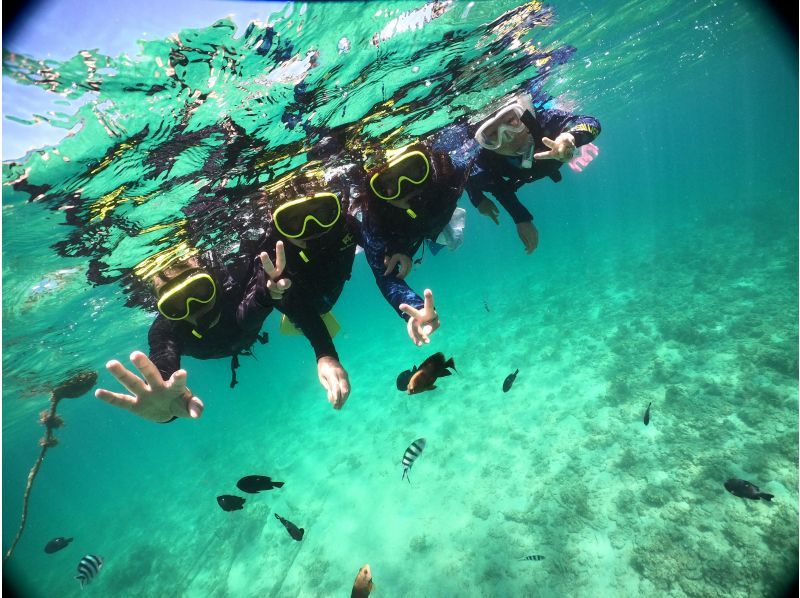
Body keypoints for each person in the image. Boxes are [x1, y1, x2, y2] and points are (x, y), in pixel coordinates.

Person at [94, 250, 273, 423]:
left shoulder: (239, 282)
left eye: (200, 290)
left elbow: (269, 293)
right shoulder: (166, 330)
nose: (194, 307)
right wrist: (163, 399)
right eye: (175, 304)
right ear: (162, 309)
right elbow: (162, 367)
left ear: (213, 279)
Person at [249, 170, 359, 410]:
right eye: (294, 220)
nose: (311, 228)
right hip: (303, 307)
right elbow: (271, 300)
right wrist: (326, 354)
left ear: (335, 208)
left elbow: (378, 246)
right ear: (276, 223)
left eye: (321, 212)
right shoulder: (272, 256)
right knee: (289, 301)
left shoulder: (346, 227)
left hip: (321, 302)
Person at [350, 138, 471, 346]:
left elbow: (479, 147)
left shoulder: (449, 173)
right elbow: (384, 275)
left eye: (413, 171)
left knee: (448, 238)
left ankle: (428, 239)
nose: (406, 187)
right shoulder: (375, 219)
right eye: (388, 183)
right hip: (405, 235)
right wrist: (414, 309)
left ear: (428, 165)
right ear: (374, 191)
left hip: (435, 223)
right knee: (377, 248)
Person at [467, 91, 601, 254]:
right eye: (492, 135)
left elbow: (591, 122)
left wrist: (572, 137)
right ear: (482, 142)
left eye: (511, 121)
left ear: (524, 114)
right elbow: (476, 179)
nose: (508, 138)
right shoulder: (483, 158)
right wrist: (479, 199)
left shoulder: (545, 122)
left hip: (550, 163)